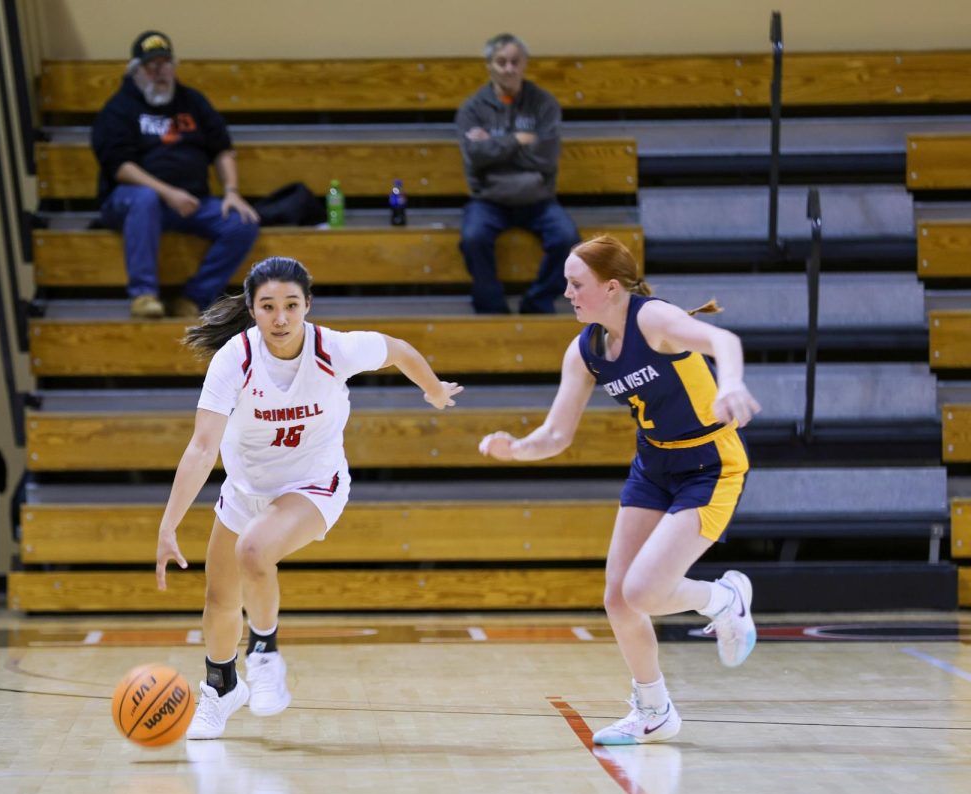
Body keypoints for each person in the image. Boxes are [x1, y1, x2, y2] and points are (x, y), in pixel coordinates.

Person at [154, 256, 464, 739]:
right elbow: (201, 446)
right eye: (268, 306)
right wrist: (168, 525)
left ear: (307, 306)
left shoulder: (332, 349)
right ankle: (221, 689)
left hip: (313, 485)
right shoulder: (233, 359)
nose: (280, 318)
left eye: (291, 306)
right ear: (253, 309)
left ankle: (265, 654)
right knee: (219, 601)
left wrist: (433, 390)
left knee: (254, 550)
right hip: (245, 490)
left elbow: (398, 349)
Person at [479, 235, 761, 746]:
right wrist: (516, 449)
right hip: (653, 467)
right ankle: (653, 709)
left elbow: (726, 342)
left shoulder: (652, 319)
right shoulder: (585, 348)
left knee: (644, 592)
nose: (566, 292)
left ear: (610, 288)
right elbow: (557, 435)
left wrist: (731, 384)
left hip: (710, 465)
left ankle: (724, 598)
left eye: (575, 283)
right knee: (618, 598)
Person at [91, 30, 260, 319]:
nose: (160, 71)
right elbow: (119, 166)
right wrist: (167, 193)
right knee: (145, 198)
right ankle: (144, 295)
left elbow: (222, 149)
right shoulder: (119, 108)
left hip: (192, 200)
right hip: (134, 202)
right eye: (151, 65)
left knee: (242, 223)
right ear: (136, 71)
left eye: (165, 63)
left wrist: (232, 191)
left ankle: (194, 299)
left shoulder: (192, 102)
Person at [456, 33, 580, 315]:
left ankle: (537, 302)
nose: (509, 68)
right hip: (489, 199)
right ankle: (492, 308)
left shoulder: (544, 104)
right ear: (489, 65)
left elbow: (546, 157)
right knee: (473, 238)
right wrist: (519, 140)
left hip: (537, 199)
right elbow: (475, 157)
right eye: (501, 62)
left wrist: (493, 144)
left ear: (524, 64)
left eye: (515, 61)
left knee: (568, 239)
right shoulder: (472, 109)